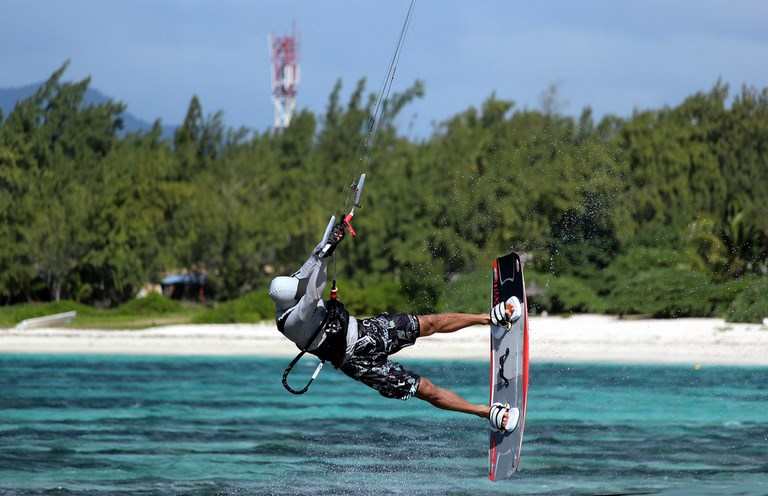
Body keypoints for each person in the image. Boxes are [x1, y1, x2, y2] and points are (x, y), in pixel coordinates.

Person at [269, 222, 523, 432]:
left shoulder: (288, 288)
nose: (300, 289)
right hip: (359, 363)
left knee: (428, 323)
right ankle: (486, 412)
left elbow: (313, 260)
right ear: (289, 302)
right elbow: (313, 292)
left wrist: (334, 236)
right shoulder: (292, 322)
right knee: (426, 390)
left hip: (367, 331)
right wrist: (325, 259)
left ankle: (490, 318)